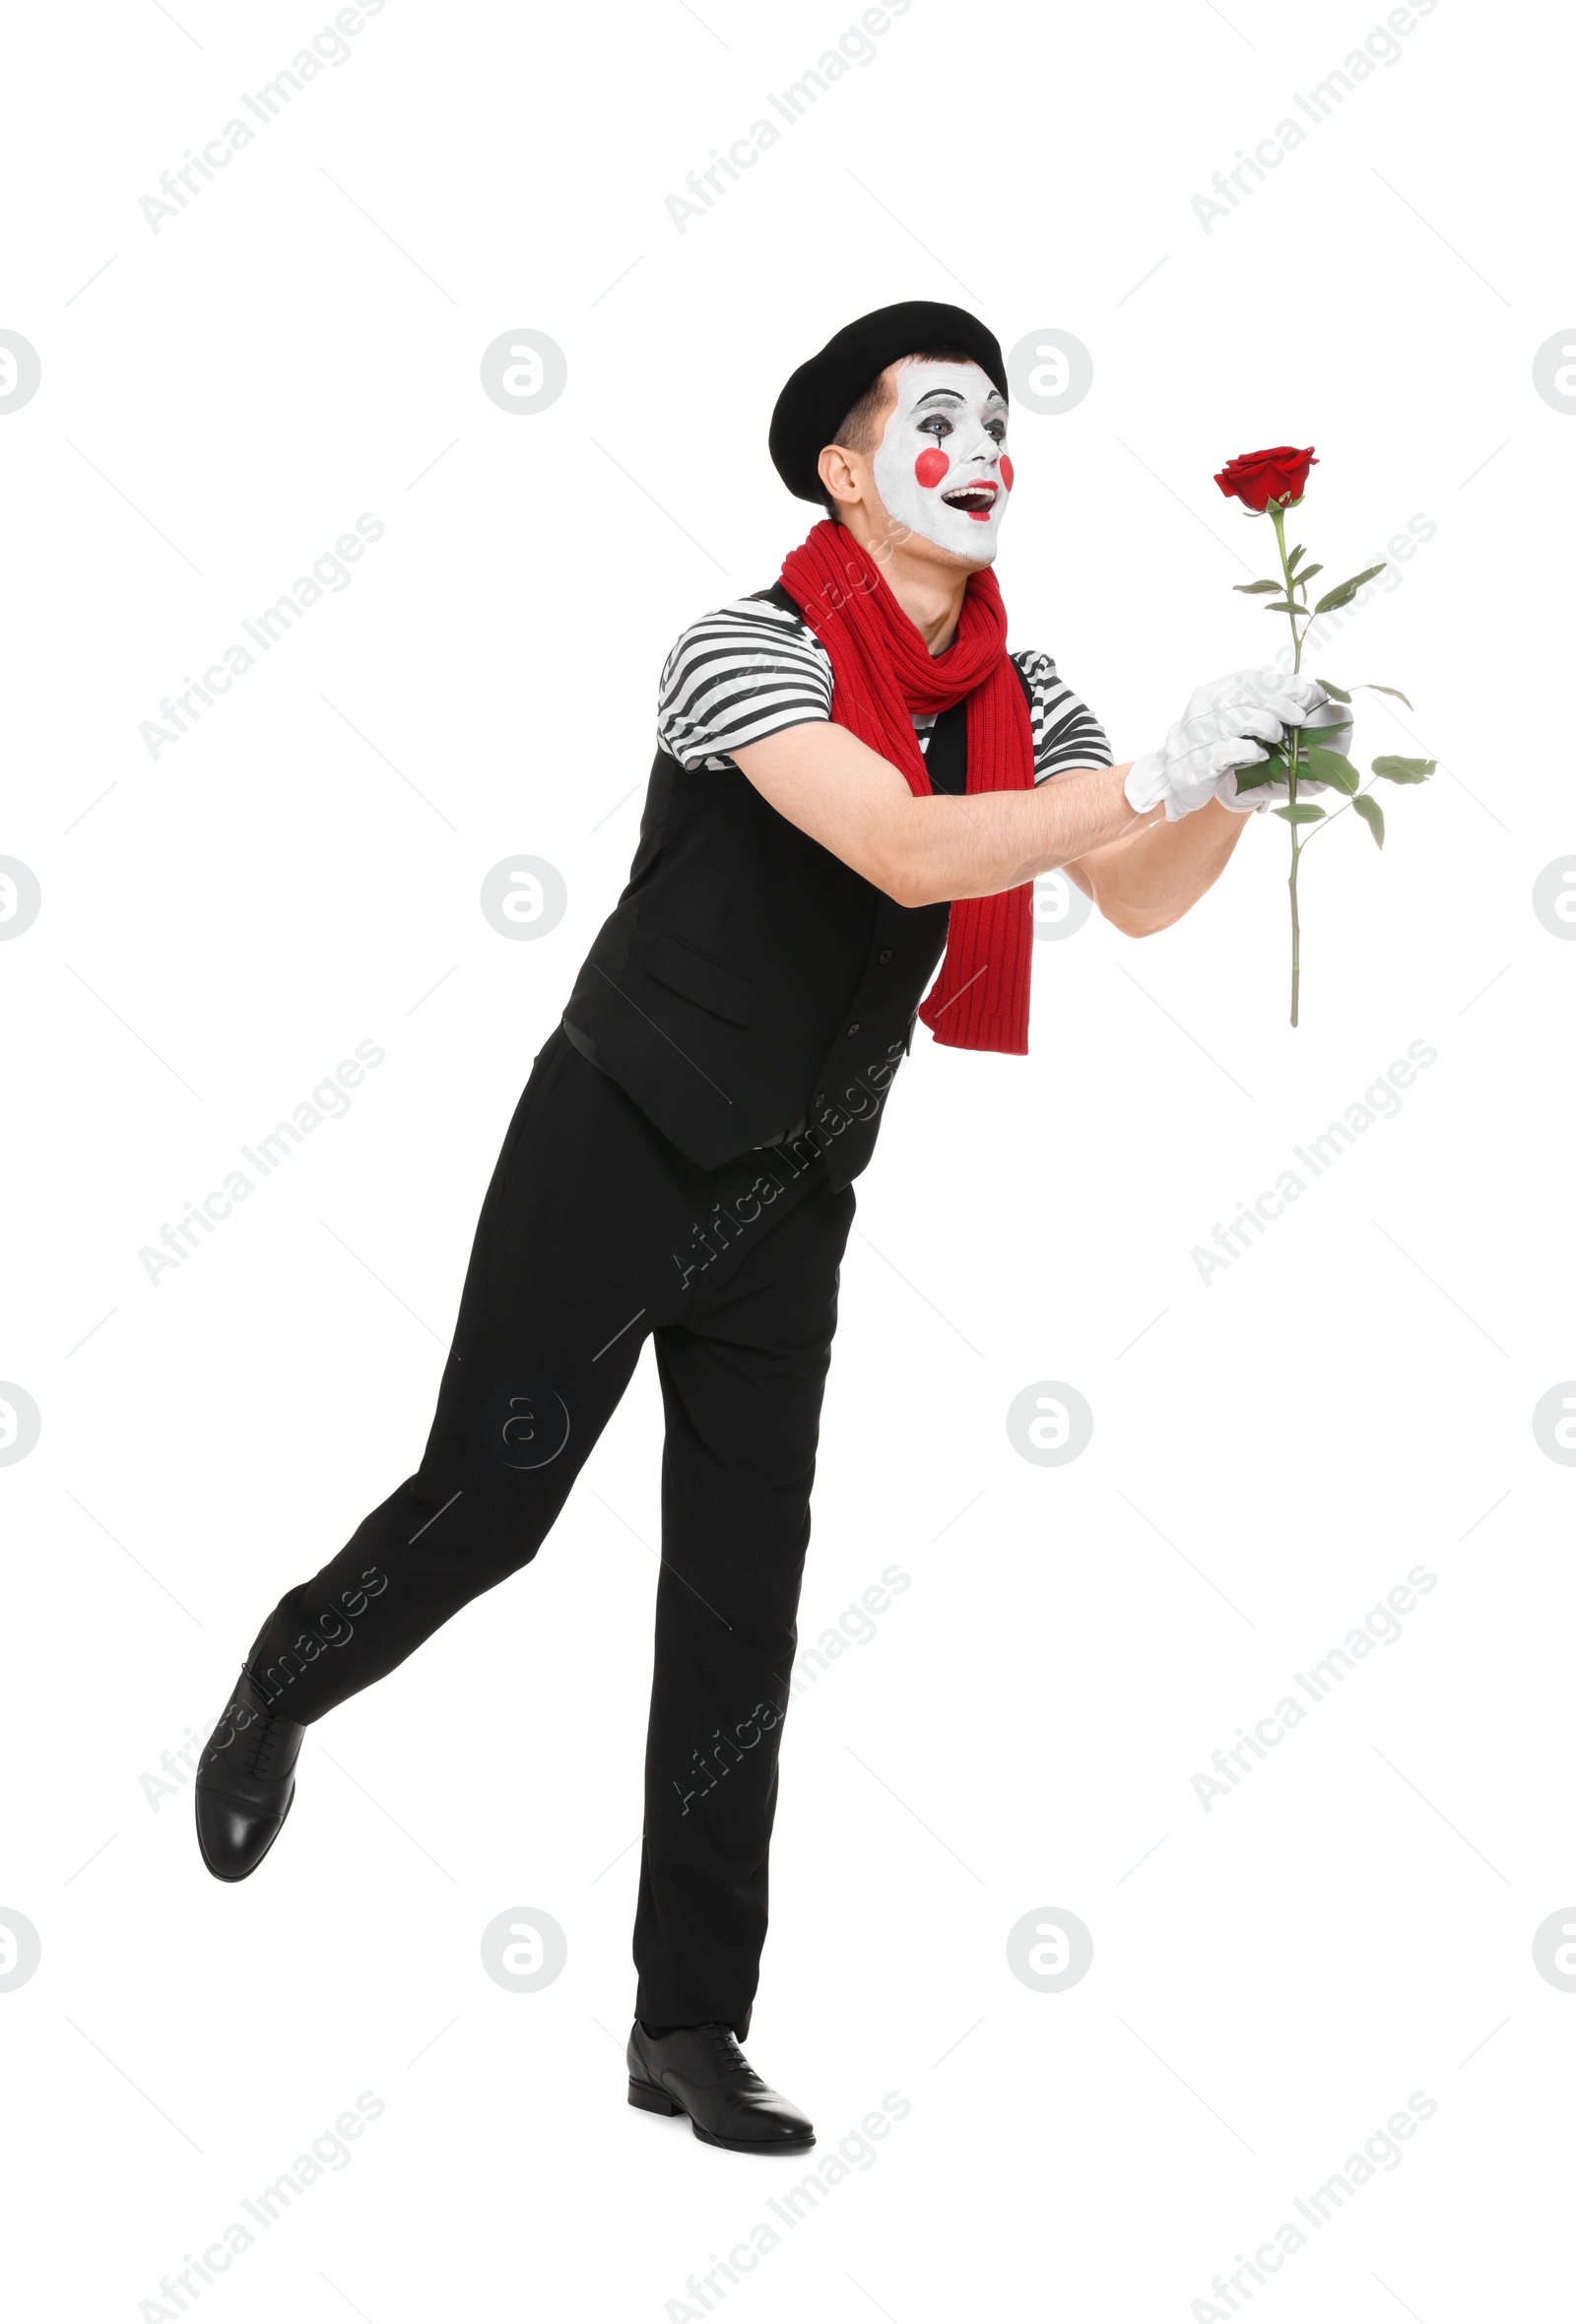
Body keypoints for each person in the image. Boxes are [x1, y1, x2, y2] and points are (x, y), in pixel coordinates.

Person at [195, 300, 1333, 2155]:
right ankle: (285, 1677)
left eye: (1000, 417)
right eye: (936, 415)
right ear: (844, 462)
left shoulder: (1031, 703)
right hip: (617, 1140)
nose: (980, 447)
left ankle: (686, 2030)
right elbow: (898, 843)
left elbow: (1133, 896)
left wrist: (1228, 782)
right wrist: (1147, 778)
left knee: (744, 1609)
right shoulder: (743, 652)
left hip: (797, 1186)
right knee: (493, 1511)